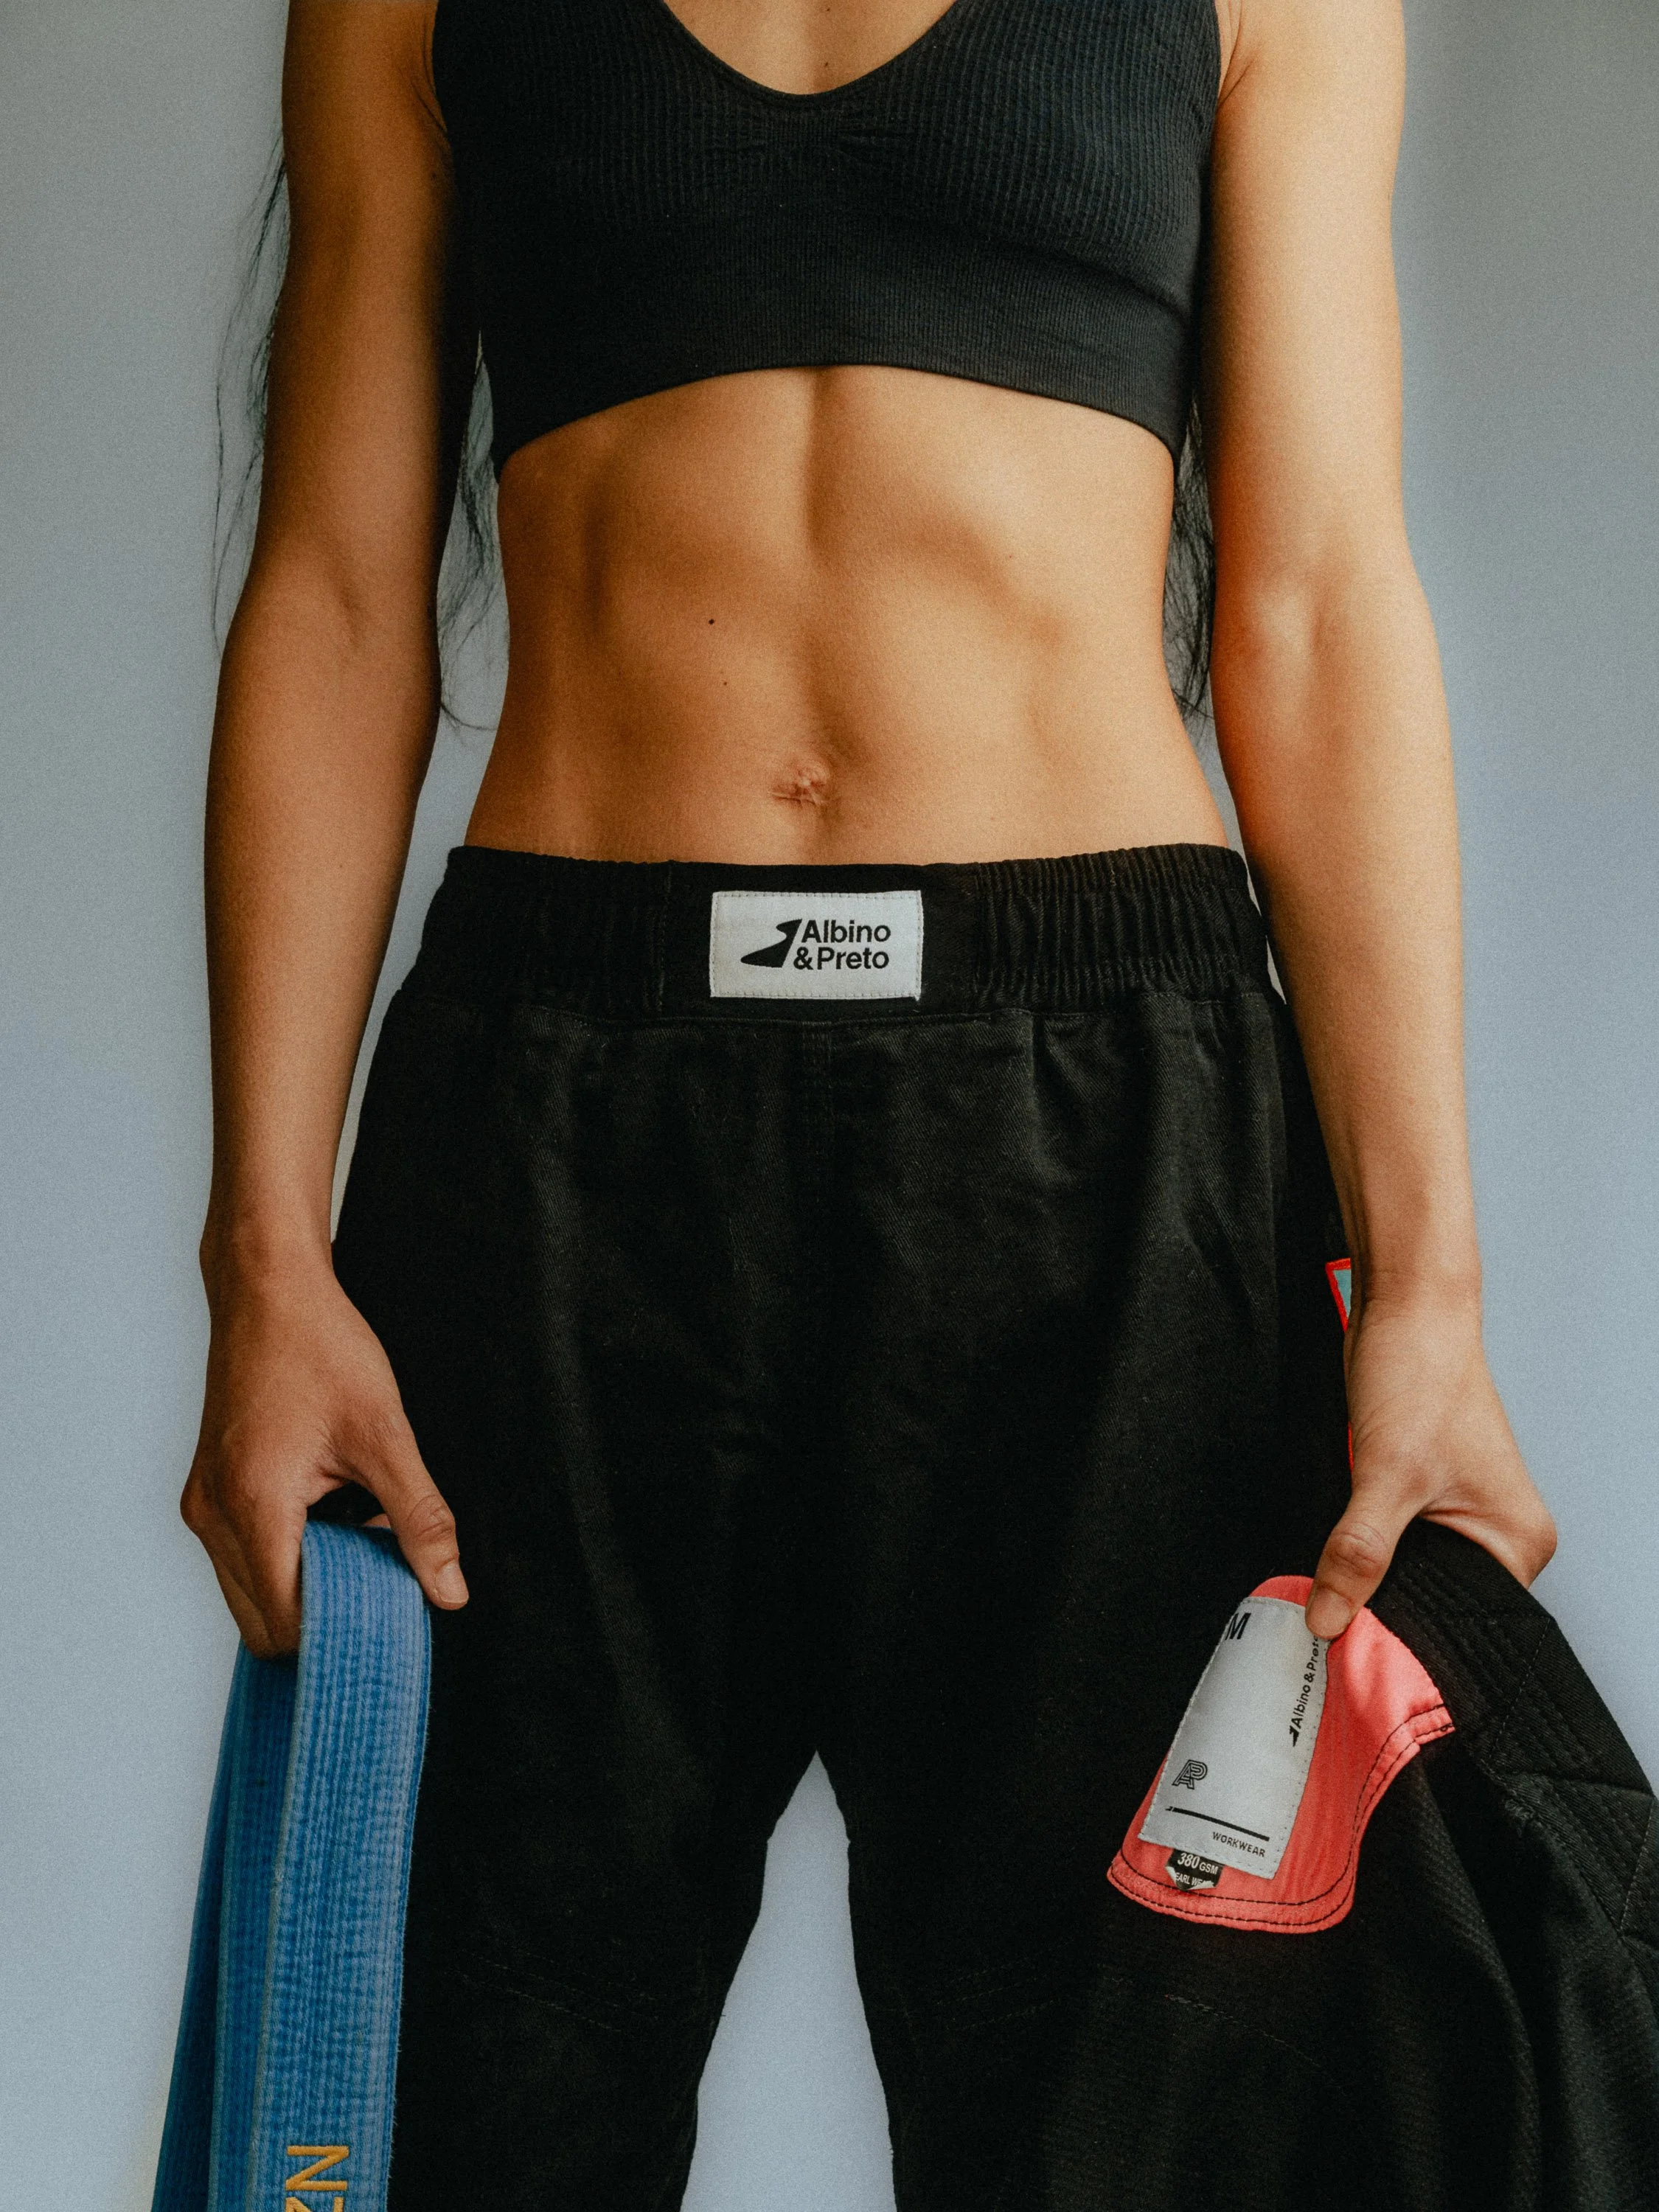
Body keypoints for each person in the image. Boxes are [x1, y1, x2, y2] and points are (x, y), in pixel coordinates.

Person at [176, 0, 1592, 2202]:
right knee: (474, 2106)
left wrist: (1433, 1289)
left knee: (1127, 2126)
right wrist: (263, 1255)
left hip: (1107, 1124)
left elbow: (1314, 606)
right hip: (567, 1110)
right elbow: (343, 591)